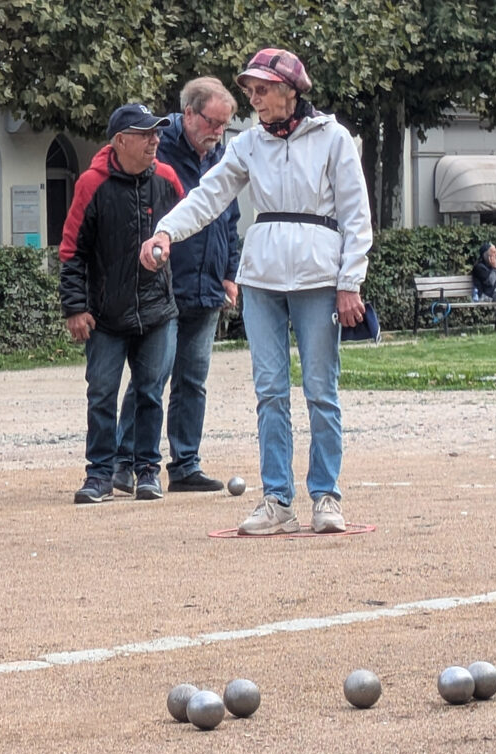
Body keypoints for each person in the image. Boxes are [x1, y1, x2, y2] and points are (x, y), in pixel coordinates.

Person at [140, 48, 372, 535]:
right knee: (269, 392)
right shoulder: (248, 144)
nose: (254, 99)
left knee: (321, 391)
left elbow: (356, 214)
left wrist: (350, 281)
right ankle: (277, 500)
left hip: (318, 276)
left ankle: (326, 496)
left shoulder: (334, 138)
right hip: (262, 276)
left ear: (290, 90)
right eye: (251, 91)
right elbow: (209, 195)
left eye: (262, 90)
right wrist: (166, 231)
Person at [113, 77, 240, 496]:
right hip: (162, 285)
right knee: (150, 378)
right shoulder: (156, 149)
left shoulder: (221, 156)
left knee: (192, 380)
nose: (217, 132)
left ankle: (185, 464)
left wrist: (230, 273)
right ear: (188, 113)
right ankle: (124, 462)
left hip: (207, 285)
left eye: (224, 125)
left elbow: (229, 218)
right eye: (212, 122)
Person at [59, 103, 184, 504]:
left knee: (150, 393)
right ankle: (99, 474)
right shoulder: (91, 184)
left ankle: (147, 470)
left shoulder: (166, 178)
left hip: (157, 311)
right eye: (145, 134)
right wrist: (75, 307)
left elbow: (187, 226)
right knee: (101, 395)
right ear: (120, 141)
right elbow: (72, 251)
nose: (155, 140)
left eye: (156, 133)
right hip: (106, 315)